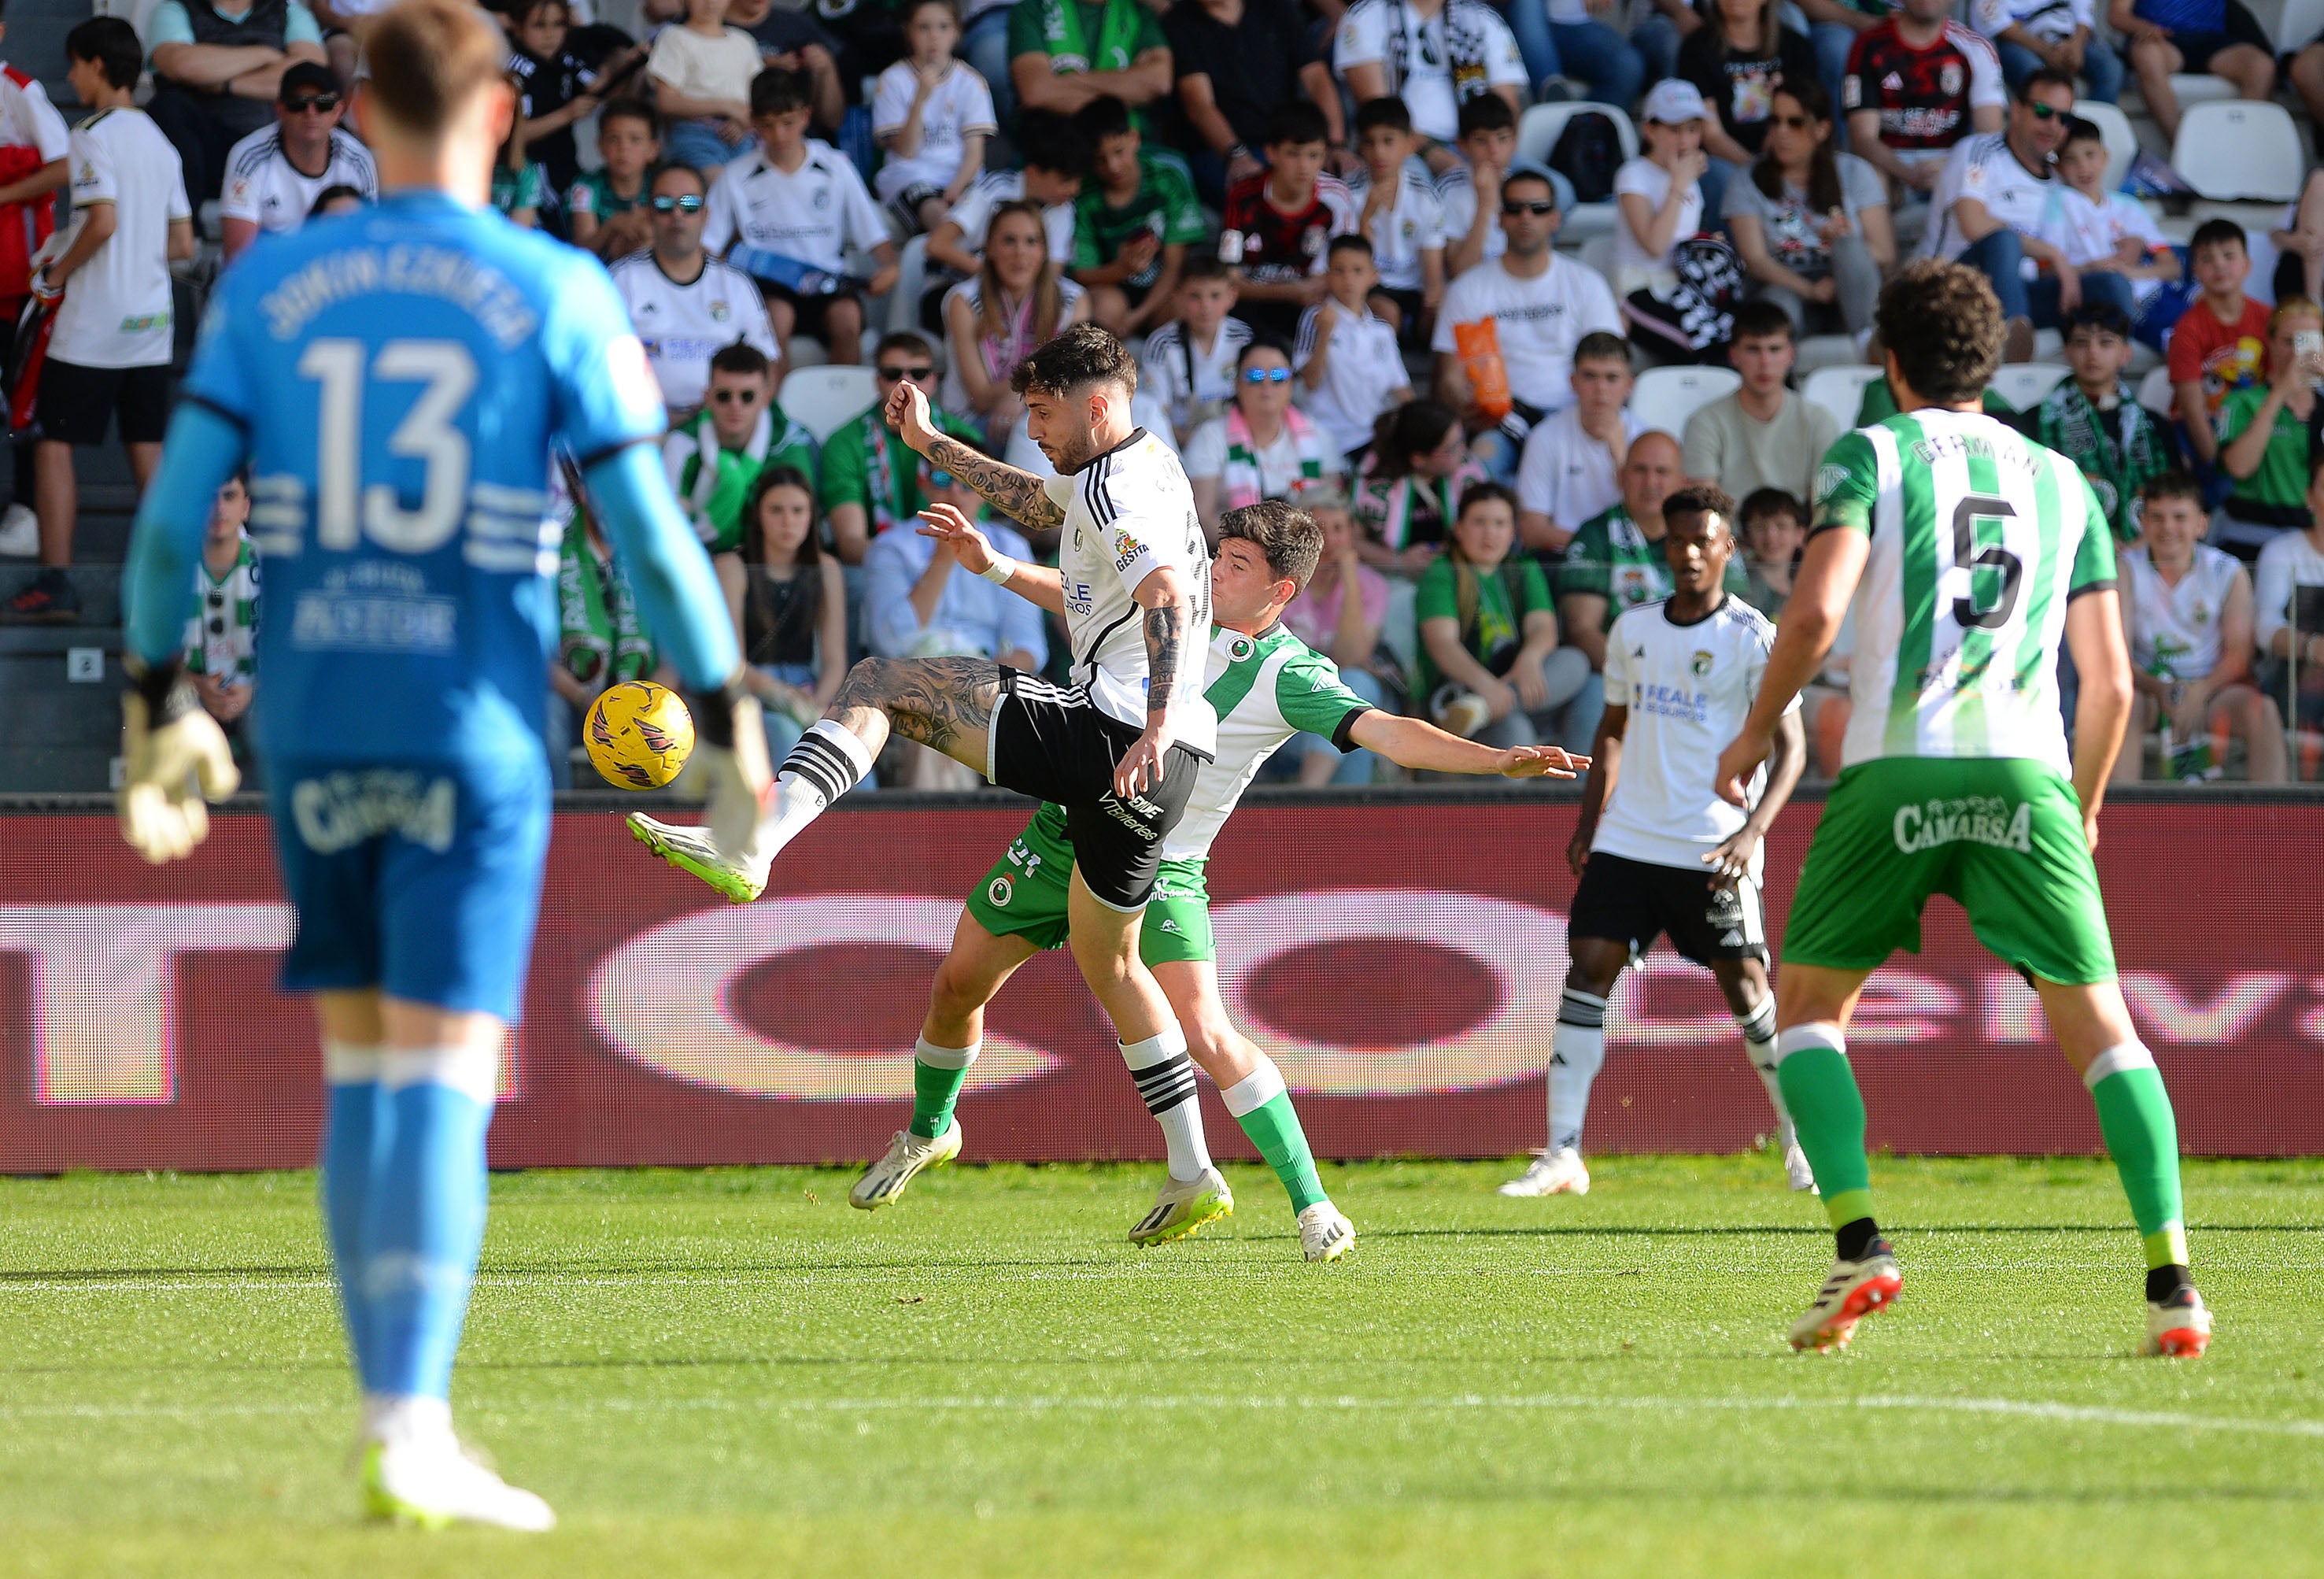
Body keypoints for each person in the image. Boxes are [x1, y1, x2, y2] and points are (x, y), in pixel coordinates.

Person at [116, 0, 769, 1525]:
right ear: (493, 118)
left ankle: (387, 1412)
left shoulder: (271, 284)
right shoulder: (550, 287)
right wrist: (729, 721)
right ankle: (414, 1426)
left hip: (313, 715)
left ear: (361, 106)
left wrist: (155, 704)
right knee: (448, 1073)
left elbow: (164, 527)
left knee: (359, 1072)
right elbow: (651, 539)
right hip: (471, 724)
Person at [694, 501, 1577, 1255]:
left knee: (1209, 1029)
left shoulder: (1288, 673)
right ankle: (931, 1129)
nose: (1212, 571)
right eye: (1215, 556)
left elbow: (1386, 730)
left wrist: (1493, 758)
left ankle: (1311, 1204)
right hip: (1062, 828)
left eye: (1233, 565)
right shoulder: (1176, 613)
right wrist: (996, 563)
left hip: (1165, 865)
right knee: (957, 984)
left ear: (1279, 592)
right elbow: (1083, 600)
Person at [629, 325, 1229, 1244]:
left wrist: (1143, 719)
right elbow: (1040, 498)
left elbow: (1166, 597)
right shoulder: (1144, 465)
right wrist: (933, 447)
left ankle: (756, 840)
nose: (1031, 428)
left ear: (1095, 407)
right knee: (1111, 961)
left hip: (1114, 729)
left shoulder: (1114, 485)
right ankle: (1192, 1165)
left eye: (1041, 412)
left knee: (882, 683)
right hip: (1175, 763)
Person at [1713, 258, 2211, 1359]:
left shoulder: (1870, 453)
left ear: (1888, 360)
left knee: (1805, 1007)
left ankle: (1858, 1243)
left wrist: (1753, 734)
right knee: (2103, 1028)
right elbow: (2114, 683)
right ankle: (2173, 1281)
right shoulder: (2062, 478)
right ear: (1992, 359)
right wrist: (2077, 805)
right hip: (2028, 770)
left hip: (1898, 766)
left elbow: (1814, 614)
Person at [1503, 484, 1812, 1200]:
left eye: (1705, 540)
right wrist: (1588, 823)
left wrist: (1751, 830)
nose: (1690, 553)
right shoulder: (1633, 629)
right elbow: (1611, 729)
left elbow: (1790, 747)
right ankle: (1562, 1154)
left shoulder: (1751, 635)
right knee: (1588, 970)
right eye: (1677, 541)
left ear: (1726, 548)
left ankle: (1801, 1143)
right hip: (1630, 837)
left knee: (1747, 990)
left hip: (1712, 843)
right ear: (1662, 548)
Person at [2, 20, 194, 626]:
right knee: (149, 452)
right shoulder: (161, 140)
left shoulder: (92, 134)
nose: (70, 77)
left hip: (92, 327)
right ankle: (172, 583)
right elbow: (183, 242)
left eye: (76, 65)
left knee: (55, 446)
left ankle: (57, 584)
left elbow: (102, 223)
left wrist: (56, 273)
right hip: (151, 325)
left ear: (96, 65)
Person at [1431, 165, 1624, 475]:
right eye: (1515, 208)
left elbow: (1608, 362)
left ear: (1555, 219)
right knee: (1477, 472)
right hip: (1501, 422)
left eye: (1538, 209)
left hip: (1576, 415)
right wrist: (1462, 398)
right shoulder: (1467, 289)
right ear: (1500, 218)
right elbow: (1449, 376)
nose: (1526, 217)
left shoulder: (1587, 284)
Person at [863, 461, 1047, 782]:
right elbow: (890, 642)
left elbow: (1029, 649)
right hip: (913, 685)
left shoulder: (1011, 548)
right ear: (925, 485)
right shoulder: (891, 547)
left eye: (968, 482)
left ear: (986, 493)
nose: (954, 491)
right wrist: (942, 559)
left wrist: (974, 685)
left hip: (988, 682)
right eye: (943, 478)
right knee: (939, 731)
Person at [705, 67, 898, 367]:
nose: (779, 135)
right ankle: (773, 411)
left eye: (788, 123)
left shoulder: (835, 167)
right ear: (753, 122)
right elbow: (708, 245)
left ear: (806, 116)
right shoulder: (736, 175)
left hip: (828, 282)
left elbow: (873, 236)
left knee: (847, 319)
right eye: (767, 125)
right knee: (777, 318)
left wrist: (890, 268)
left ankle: (844, 409)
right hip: (768, 285)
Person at [2114, 471, 2282, 782]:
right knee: (2126, 705)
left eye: (2180, 517)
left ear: (2201, 524)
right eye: (2157, 517)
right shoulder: (2125, 569)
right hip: (2149, 690)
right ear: (2145, 522)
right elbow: (2118, 655)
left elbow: (2238, 656)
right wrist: (2161, 689)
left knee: (2264, 711)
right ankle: (2121, 822)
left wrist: (2198, 692)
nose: (2168, 527)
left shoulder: (2226, 571)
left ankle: (2274, 824)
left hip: (2211, 690)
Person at [1923, 71, 2100, 363]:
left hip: (2025, 291)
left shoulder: (2060, 183)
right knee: (2003, 240)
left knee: (2108, 284)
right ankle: (2013, 338)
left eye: (2064, 119)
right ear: (2016, 110)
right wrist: (2052, 253)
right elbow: (1974, 223)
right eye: (2044, 112)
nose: (2053, 125)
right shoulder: (1978, 151)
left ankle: (2111, 387)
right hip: (1954, 287)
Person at [1416, 482, 1597, 750]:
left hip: (1517, 684)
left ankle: (1480, 709)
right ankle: (1480, 707)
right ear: (1459, 528)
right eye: (1479, 522)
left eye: (1500, 524)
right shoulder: (1443, 572)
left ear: (1513, 532)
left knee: (1576, 663)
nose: (1490, 533)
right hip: (1462, 689)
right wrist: (1486, 687)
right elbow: (1442, 644)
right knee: (1517, 735)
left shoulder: (1524, 568)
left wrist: (1530, 658)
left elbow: (1541, 627)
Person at [663, 338, 816, 628]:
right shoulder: (682, 443)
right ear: (707, 397)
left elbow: (797, 527)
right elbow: (671, 530)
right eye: (724, 396)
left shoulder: (790, 442)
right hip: (699, 563)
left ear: (766, 396)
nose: (735, 406)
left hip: (771, 563)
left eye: (747, 396)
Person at [1724, 79, 1891, 342]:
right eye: (1774, 121)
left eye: (1795, 122)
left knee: (1849, 248)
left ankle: (1869, 352)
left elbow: (1884, 252)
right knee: (1776, 304)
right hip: (1788, 288)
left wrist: (1841, 242)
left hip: (1849, 288)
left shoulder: (1855, 172)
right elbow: (1756, 261)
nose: (1782, 132)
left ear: (1822, 129)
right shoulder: (1747, 180)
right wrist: (1812, 290)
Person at [609, 163, 781, 417]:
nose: (677, 214)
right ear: (648, 214)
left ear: (705, 215)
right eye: (664, 204)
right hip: (644, 429)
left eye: (689, 204)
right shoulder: (621, 280)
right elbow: (599, 368)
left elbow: (767, 364)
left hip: (721, 427)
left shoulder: (736, 284)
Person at [821, 332, 985, 565]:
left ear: (933, 380)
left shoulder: (967, 439)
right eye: (893, 375)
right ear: (877, 380)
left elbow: (978, 525)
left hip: (957, 562)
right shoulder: (843, 443)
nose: (906, 385)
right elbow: (851, 545)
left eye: (918, 374)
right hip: (878, 565)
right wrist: (909, 566)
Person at [146, 0, 330, 206]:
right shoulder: (175, 9)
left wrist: (228, 84)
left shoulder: (289, 10)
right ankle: (189, 229)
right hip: (208, 148)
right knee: (170, 105)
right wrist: (265, 55)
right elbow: (182, 65)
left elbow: (310, 75)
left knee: (313, 106)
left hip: (272, 143)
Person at [1163, 0, 1344, 204]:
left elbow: (1316, 78)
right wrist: (1236, 155)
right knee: (1262, 199)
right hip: (1219, 152)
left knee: (1340, 189)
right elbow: (1199, 105)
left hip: (1287, 142)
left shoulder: (1277, 7)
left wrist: (1335, 144)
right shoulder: (1178, 23)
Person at [944, 200, 1091, 446]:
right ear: (989, 248)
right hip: (973, 425)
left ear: (1044, 251)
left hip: (1046, 416)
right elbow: (980, 397)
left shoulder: (1073, 300)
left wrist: (1021, 396)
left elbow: (1073, 381)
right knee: (1027, 431)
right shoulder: (963, 301)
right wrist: (1023, 392)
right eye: (1009, 241)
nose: (1020, 252)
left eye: (1031, 241)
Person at [2033, 301, 2176, 543]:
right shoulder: (2039, 419)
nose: (2093, 353)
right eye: (2081, 343)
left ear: (2126, 354)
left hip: (2146, 552)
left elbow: (2176, 496)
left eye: (2106, 342)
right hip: (2071, 548)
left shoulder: (2154, 425)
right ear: (2068, 352)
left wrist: (2138, 547)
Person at [1280, 488, 1395, 784]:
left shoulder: (1371, 586)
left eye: (1339, 529)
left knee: (1357, 688)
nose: (1330, 539)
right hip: (1287, 712)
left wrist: (1350, 581)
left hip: (1333, 713)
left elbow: (1352, 657)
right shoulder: (1280, 582)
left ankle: (1307, 799)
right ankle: (1334, 821)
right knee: (1356, 729)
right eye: (1319, 529)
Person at [1843, 0, 2005, 206]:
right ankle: (1882, 239)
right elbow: (1863, 139)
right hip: (1890, 164)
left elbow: (1990, 136)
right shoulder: (1869, 44)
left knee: (1983, 173)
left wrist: (1952, 166)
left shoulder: (1977, 48)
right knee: (1869, 174)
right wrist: (1908, 173)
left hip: (1951, 162)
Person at [1067, 94, 1203, 340]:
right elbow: (1083, 273)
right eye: (1100, 159)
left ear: (1135, 138)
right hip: (1113, 290)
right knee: (1105, 305)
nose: (1113, 166)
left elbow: (1174, 266)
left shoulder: (1168, 177)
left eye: (1119, 152)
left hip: (1163, 291)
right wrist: (1123, 268)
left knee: (1182, 307)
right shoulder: (1084, 197)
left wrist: (1139, 315)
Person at [737, 464, 848, 764]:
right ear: (758, 514)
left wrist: (817, 702)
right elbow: (731, 663)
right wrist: (785, 697)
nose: (788, 521)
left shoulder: (826, 569)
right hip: (750, 692)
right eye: (776, 510)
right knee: (787, 737)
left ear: (811, 516)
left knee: (845, 749)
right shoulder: (733, 567)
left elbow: (835, 659)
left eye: (798, 511)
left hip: (809, 689)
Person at [1221, 100, 1357, 342]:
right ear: (1270, 153)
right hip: (1250, 304)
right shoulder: (1242, 195)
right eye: (1293, 154)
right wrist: (1291, 292)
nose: (1304, 167)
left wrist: (1302, 293)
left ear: (1325, 155)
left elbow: (1339, 272)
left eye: (1313, 156)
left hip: (1310, 305)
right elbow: (1229, 280)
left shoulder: (1336, 198)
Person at [549, 492, 659, 789]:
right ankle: (558, 827)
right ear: (584, 493)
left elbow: (678, 650)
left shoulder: (654, 547)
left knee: (676, 721)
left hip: (645, 701)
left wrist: (650, 703)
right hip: (574, 698)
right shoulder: (552, 549)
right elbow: (535, 653)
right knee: (549, 720)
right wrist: (588, 702)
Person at [2041, 114, 2181, 348]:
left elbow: (2171, 266)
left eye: (2090, 155)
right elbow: (2045, 271)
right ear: (2058, 168)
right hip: (2101, 298)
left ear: (2105, 157)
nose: (2083, 167)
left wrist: (2126, 272)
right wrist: (2093, 269)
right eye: (2071, 160)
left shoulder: (2129, 206)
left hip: (2154, 297)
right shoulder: (2059, 202)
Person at [1681, 300, 1840, 504]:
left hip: (1799, 534)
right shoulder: (1705, 422)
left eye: (1774, 349)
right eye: (1753, 350)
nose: (1765, 362)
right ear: (1734, 355)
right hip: (1729, 534)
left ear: (1791, 355)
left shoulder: (1819, 421)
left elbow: (1825, 507)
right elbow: (1706, 509)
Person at [1616, 79, 1728, 365]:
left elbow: (1681, 245)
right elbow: (1655, 245)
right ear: (1650, 130)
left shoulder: (1689, 179)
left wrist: (1706, 245)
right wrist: (1678, 185)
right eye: (1674, 130)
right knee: (1698, 349)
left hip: (1683, 292)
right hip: (1638, 293)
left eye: (1692, 130)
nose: (1685, 141)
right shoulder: (1634, 174)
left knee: (1734, 341)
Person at [1184, 338, 1344, 539]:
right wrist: (1262, 544)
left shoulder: (1320, 436)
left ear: (1292, 384)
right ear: (1236, 383)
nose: (1267, 385)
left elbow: (1334, 512)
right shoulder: (1209, 437)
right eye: (1255, 376)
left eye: (1278, 376)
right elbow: (1202, 520)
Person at [1676, 0, 1816, 223]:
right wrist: (1758, 169)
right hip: (1725, 159)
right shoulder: (1697, 48)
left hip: (1784, 153)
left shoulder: (1794, 46)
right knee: (1725, 178)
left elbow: (1809, 117)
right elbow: (1712, 135)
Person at [220, 61, 377, 261]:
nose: (311, 112)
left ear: (338, 111)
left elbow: (367, 242)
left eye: (322, 103)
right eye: (299, 103)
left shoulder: (359, 161)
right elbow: (239, 258)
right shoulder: (248, 156)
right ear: (280, 110)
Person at [1332, 0, 1527, 151]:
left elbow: (1507, 110)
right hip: (1402, 153)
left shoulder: (1483, 18)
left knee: (1554, 188)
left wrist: (1485, 155)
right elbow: (1379, 114)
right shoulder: (1366, 15)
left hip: (1478, 149)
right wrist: (1432, 153)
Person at [871, 0, 995, 237]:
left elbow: (974, 153)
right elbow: (906, 150)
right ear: (908, 31)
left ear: (957, 32)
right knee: (937, 214)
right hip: (911, 178)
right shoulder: (892, 80)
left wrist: (956, 188)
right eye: (923, 28)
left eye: (943, 27)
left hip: (961, 179)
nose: (934, 37)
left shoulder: (971, 81)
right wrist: (920, 98)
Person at [924, 110, 1087, 288]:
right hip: (955, 283)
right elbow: (937, 245)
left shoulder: (1063, 208)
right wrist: (997, 278)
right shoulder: (994, 189)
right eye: (1066, 181)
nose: (1074, 190)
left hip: (1018, 294)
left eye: (1078, 181)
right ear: (1033, 173)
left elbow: (1052, 273)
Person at [2215, 298, 2324, 560]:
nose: (2299, 354)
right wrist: (2280, 394)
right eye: (2290, 342)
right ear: (2271, 343)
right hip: (2247, 538)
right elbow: (2239, 467)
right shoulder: (2243, 402)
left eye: (2309, 342)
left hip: (2313, 542)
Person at [1517, 331, 1643, 557]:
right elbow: (1532, 530)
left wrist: (1622, 457)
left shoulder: (1646, 439)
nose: (1601, 389)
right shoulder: (1545, 437)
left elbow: (1655, 523)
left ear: (1629, 385)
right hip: (1564, 557)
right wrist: (1594, 547)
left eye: (1612, 378)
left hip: (1632, 556)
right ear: (1573, 382)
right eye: (1590, 376)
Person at [1295, 235, 1413, 462]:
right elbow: (1309, 382)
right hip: (1328, 435)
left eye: (1358, 271)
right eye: (1339, 271)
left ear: (1373, 276)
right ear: (1327, 275)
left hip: (1372, 436)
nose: (1348, 279)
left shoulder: (1382, 330)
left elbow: (1400, 388)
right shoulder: (1316, 317)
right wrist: (1325, 334)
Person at [2165, 218, 2268, 473]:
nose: (2219, 265)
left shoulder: (2268, 319)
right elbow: (2191, 408)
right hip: (2204, 429)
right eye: (2207, 259)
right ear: (2195, 270)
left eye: (2229, 256)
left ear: (2247, 265)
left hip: (2254, 422)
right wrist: (2216, 464)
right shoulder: (2187, 329)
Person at [1346, 96, 1446, 342]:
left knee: (1445, 312)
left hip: (1414, 288)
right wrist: (1366, 217)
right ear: (1360, 146)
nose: (1379, 151)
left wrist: (1434, 299)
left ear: (1409, 144)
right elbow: (1353, 263)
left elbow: (1433, 270)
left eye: (1388, 141)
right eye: (1370, 142)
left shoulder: (1425, 197)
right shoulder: (1349, 193)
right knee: (1386, 313)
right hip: (1371, 286)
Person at [1354, 398, 1487, 578]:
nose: (1463, 450)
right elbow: (1352, 539)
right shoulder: (1375, 476)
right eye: (1451, 447)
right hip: (1391, 581)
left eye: (1462, 439)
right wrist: (1398, 562)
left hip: (1459, 576)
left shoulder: (1469, 473)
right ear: (1419, 459)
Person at [2111, 0, 2274, 145]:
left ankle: (2241, 147)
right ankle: (2184, 146)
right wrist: (2146, 28)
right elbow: (2117, 15)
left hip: (2213, 40)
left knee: (2261, 66)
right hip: (2164, 40)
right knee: (2146, 53)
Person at [2252, 454, 2324, 756]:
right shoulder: (2281, 551)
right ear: (2309, 497)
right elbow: (2264, 627)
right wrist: (2313, 648)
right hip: (2292, 692)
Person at [1007, 0, 1173, 130]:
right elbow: (1036, 91)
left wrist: (1069, 80)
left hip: (1134, 150)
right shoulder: (1033, 9)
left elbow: (1159, 82)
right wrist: (1129, 89)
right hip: (1057, 154)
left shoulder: (1139, 11)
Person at [1142, 257, 1253, 446]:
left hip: (1237, 439)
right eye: (1195, 296)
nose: (1206, 306)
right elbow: (1157, 414)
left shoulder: (1244, 339)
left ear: (1232, 297)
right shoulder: (1161, 345)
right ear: (1177, 297)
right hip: (1182, 442)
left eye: (1215, 296)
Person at [648, 0, 764, 181]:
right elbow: (666, 102)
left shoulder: (744, 42)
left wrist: (744, 122)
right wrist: (725, 107)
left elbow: (759, 97)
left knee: (750, 191)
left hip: (742, 135)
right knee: (717, 187)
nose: (710, 3)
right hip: (695, 135)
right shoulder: (674, 37)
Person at [184, 473, 260, 741]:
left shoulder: (274, 567)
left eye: (229, 496)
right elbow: (144, 651)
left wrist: (254, 686)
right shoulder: (170, 568)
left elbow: (292, 649)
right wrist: (194, 683)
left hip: (261, 700)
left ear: (246, 507)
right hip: (185, 701)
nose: (219, 509)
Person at [508, 0, 602, 194]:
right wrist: (566, 114)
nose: (549, 34)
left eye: (558, 24)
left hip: (566, 165)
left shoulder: (566, 60)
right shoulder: (516, 72)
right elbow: (513, 133)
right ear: (518, 28)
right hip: (529, 174)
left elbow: (598, 88)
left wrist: (628, 64)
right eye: (539, 25)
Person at [1435, 93, 1534, 279]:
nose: (1493, 151)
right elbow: (1460, 273)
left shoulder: (1523, 190)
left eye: (1502, 139)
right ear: (1463, 145)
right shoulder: (1450, 189)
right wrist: (1485, 206)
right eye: (1482, 141)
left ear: (1514, 142)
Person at [565, 97, 659, 260]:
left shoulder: (660, 185)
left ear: (652, 150)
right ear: (600, 145)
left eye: (635, 140)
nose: (623, 148)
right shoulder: (586, 185)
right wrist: (612, 225)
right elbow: (582, 251)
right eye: (613, 138)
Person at [1971, 0, 2120, 101]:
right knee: (2038, 76)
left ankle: (2089, 132)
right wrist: (2047, 51)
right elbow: (1996, 25)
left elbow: (2084, 13)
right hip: (2018, 43)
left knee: (2111, 67)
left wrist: (2076, 46)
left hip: (2068, 37)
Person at [1735, 484, 1803, 616]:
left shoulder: (1809, 583)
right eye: (1760, 527)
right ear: (1746, 536)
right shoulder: (1740, 589)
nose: (1771, 536)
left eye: (1781, 526)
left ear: (1800, 534)